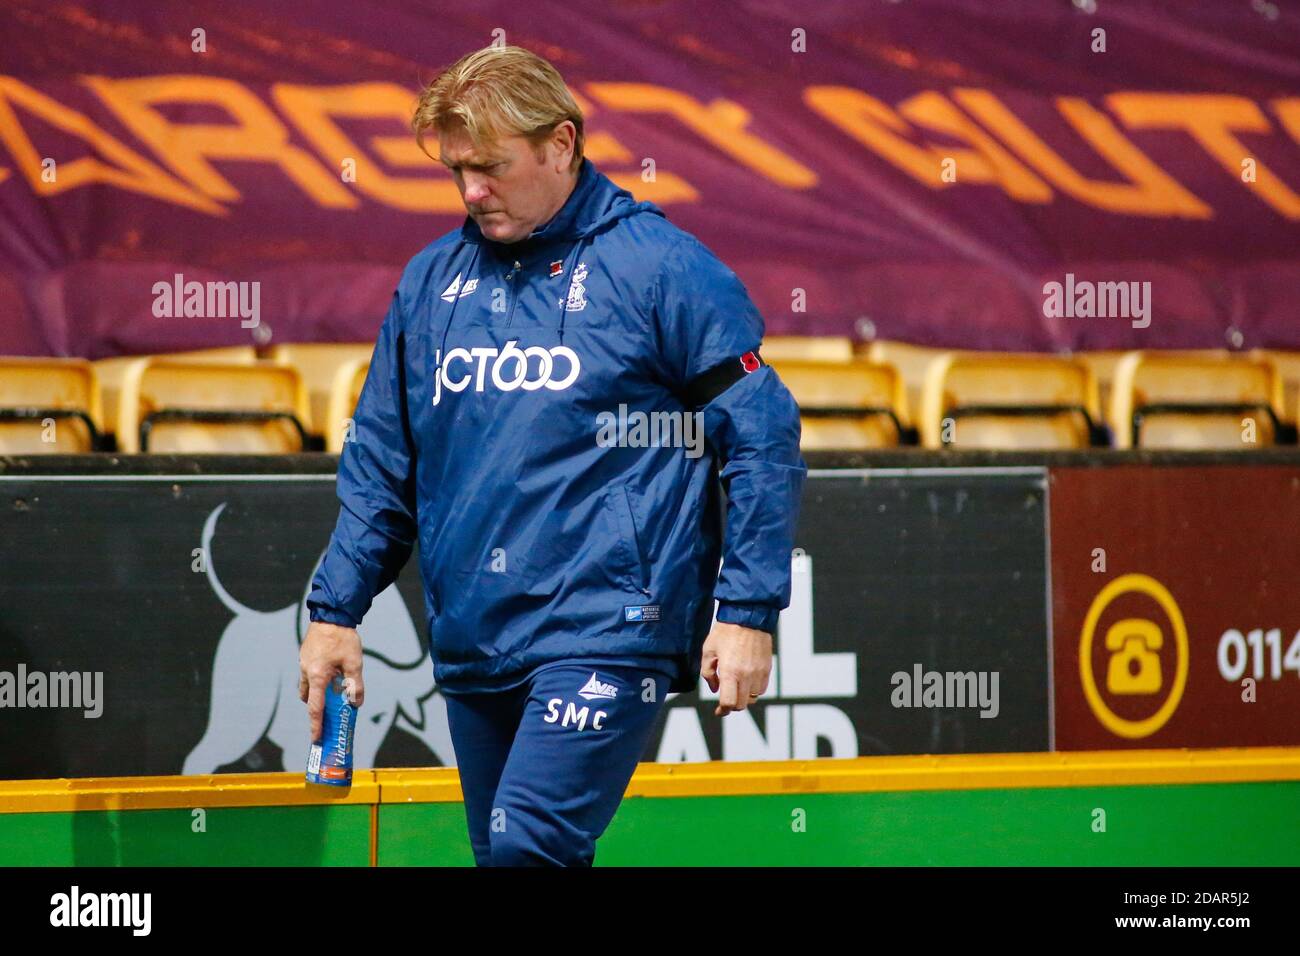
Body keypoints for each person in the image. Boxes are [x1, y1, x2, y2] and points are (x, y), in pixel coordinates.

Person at [299, 44, 805, 866]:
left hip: (609, 628)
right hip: (472, 635)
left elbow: (762, 433)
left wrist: (746, 611)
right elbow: (383, 467)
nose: (470, 191)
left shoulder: (659, 266)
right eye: (457, 169)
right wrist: (334, 610)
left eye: (491, 167)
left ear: (561, 144)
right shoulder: (430, 283)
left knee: (529, 849)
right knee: (508, 856)